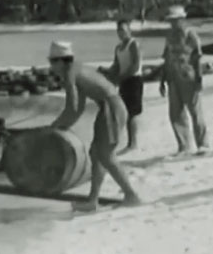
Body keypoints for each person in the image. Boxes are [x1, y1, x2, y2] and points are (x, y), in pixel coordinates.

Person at [45, 41, 144, 211]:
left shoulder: (70, 73)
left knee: (106, 155)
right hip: (110, 106)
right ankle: (93, 201)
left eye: (52, 62)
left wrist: (54, 128)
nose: (52, 67)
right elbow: (78, 108)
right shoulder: (76, 68)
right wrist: (60, 127)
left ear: (61, 61)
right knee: (96, 153)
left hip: (111, 107)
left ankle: (131, 195)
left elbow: (72, 108)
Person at [160, 5, 207, 156]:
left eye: (175, 20)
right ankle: (184, 145)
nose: (173, 23)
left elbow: (197, 58)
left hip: (189, 77)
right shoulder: (169, 36)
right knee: (175, 114)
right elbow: (166, 58)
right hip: (173, 78)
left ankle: (202, 144)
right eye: (171, 21)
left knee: (195, 112)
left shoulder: (190, 35)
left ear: (182, 19)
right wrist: (162, 80)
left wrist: (199, 78)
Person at [110, 19, 144, 155]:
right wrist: (107, 73)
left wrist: (121, 77)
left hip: (134, 80)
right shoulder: (118, 48)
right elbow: (116, 66)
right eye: (119, 31)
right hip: (124, 81)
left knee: (133, 113)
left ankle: (133, 143)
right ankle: (128, 142)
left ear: (129, 30)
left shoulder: (134, 44)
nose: (121, 33)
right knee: (123, 111)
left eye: (123, 30)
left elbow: (135, 65)